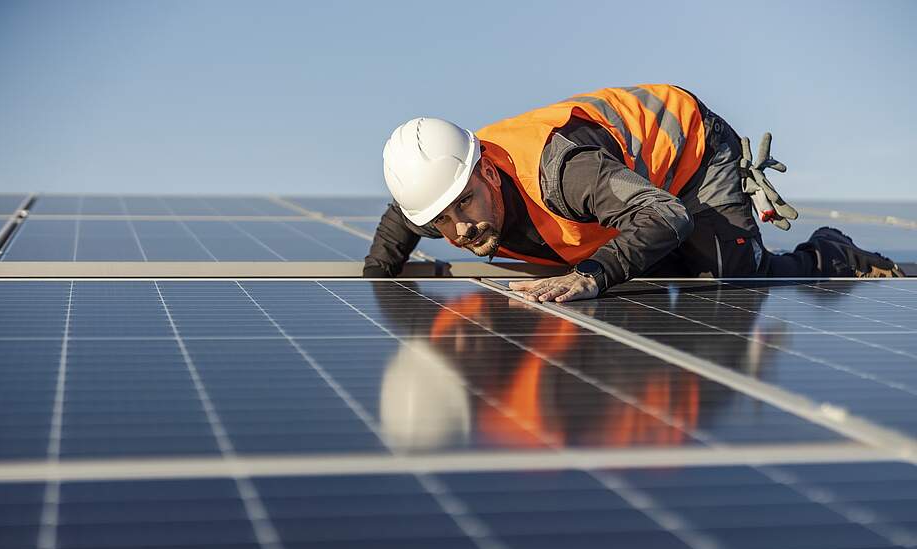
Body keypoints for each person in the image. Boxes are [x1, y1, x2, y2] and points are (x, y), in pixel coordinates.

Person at [364, 85, 905, 302]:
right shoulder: (438, 191)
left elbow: (666, 214)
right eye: (441, 221)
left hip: (688, 156)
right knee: (645, 255)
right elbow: (402, 220)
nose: (459, 229)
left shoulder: (562, 172)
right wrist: (375, 282)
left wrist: (591, 275)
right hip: (625, 191)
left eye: (464, 205)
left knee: (730, 276)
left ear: (483, 173)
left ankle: (830, 252)